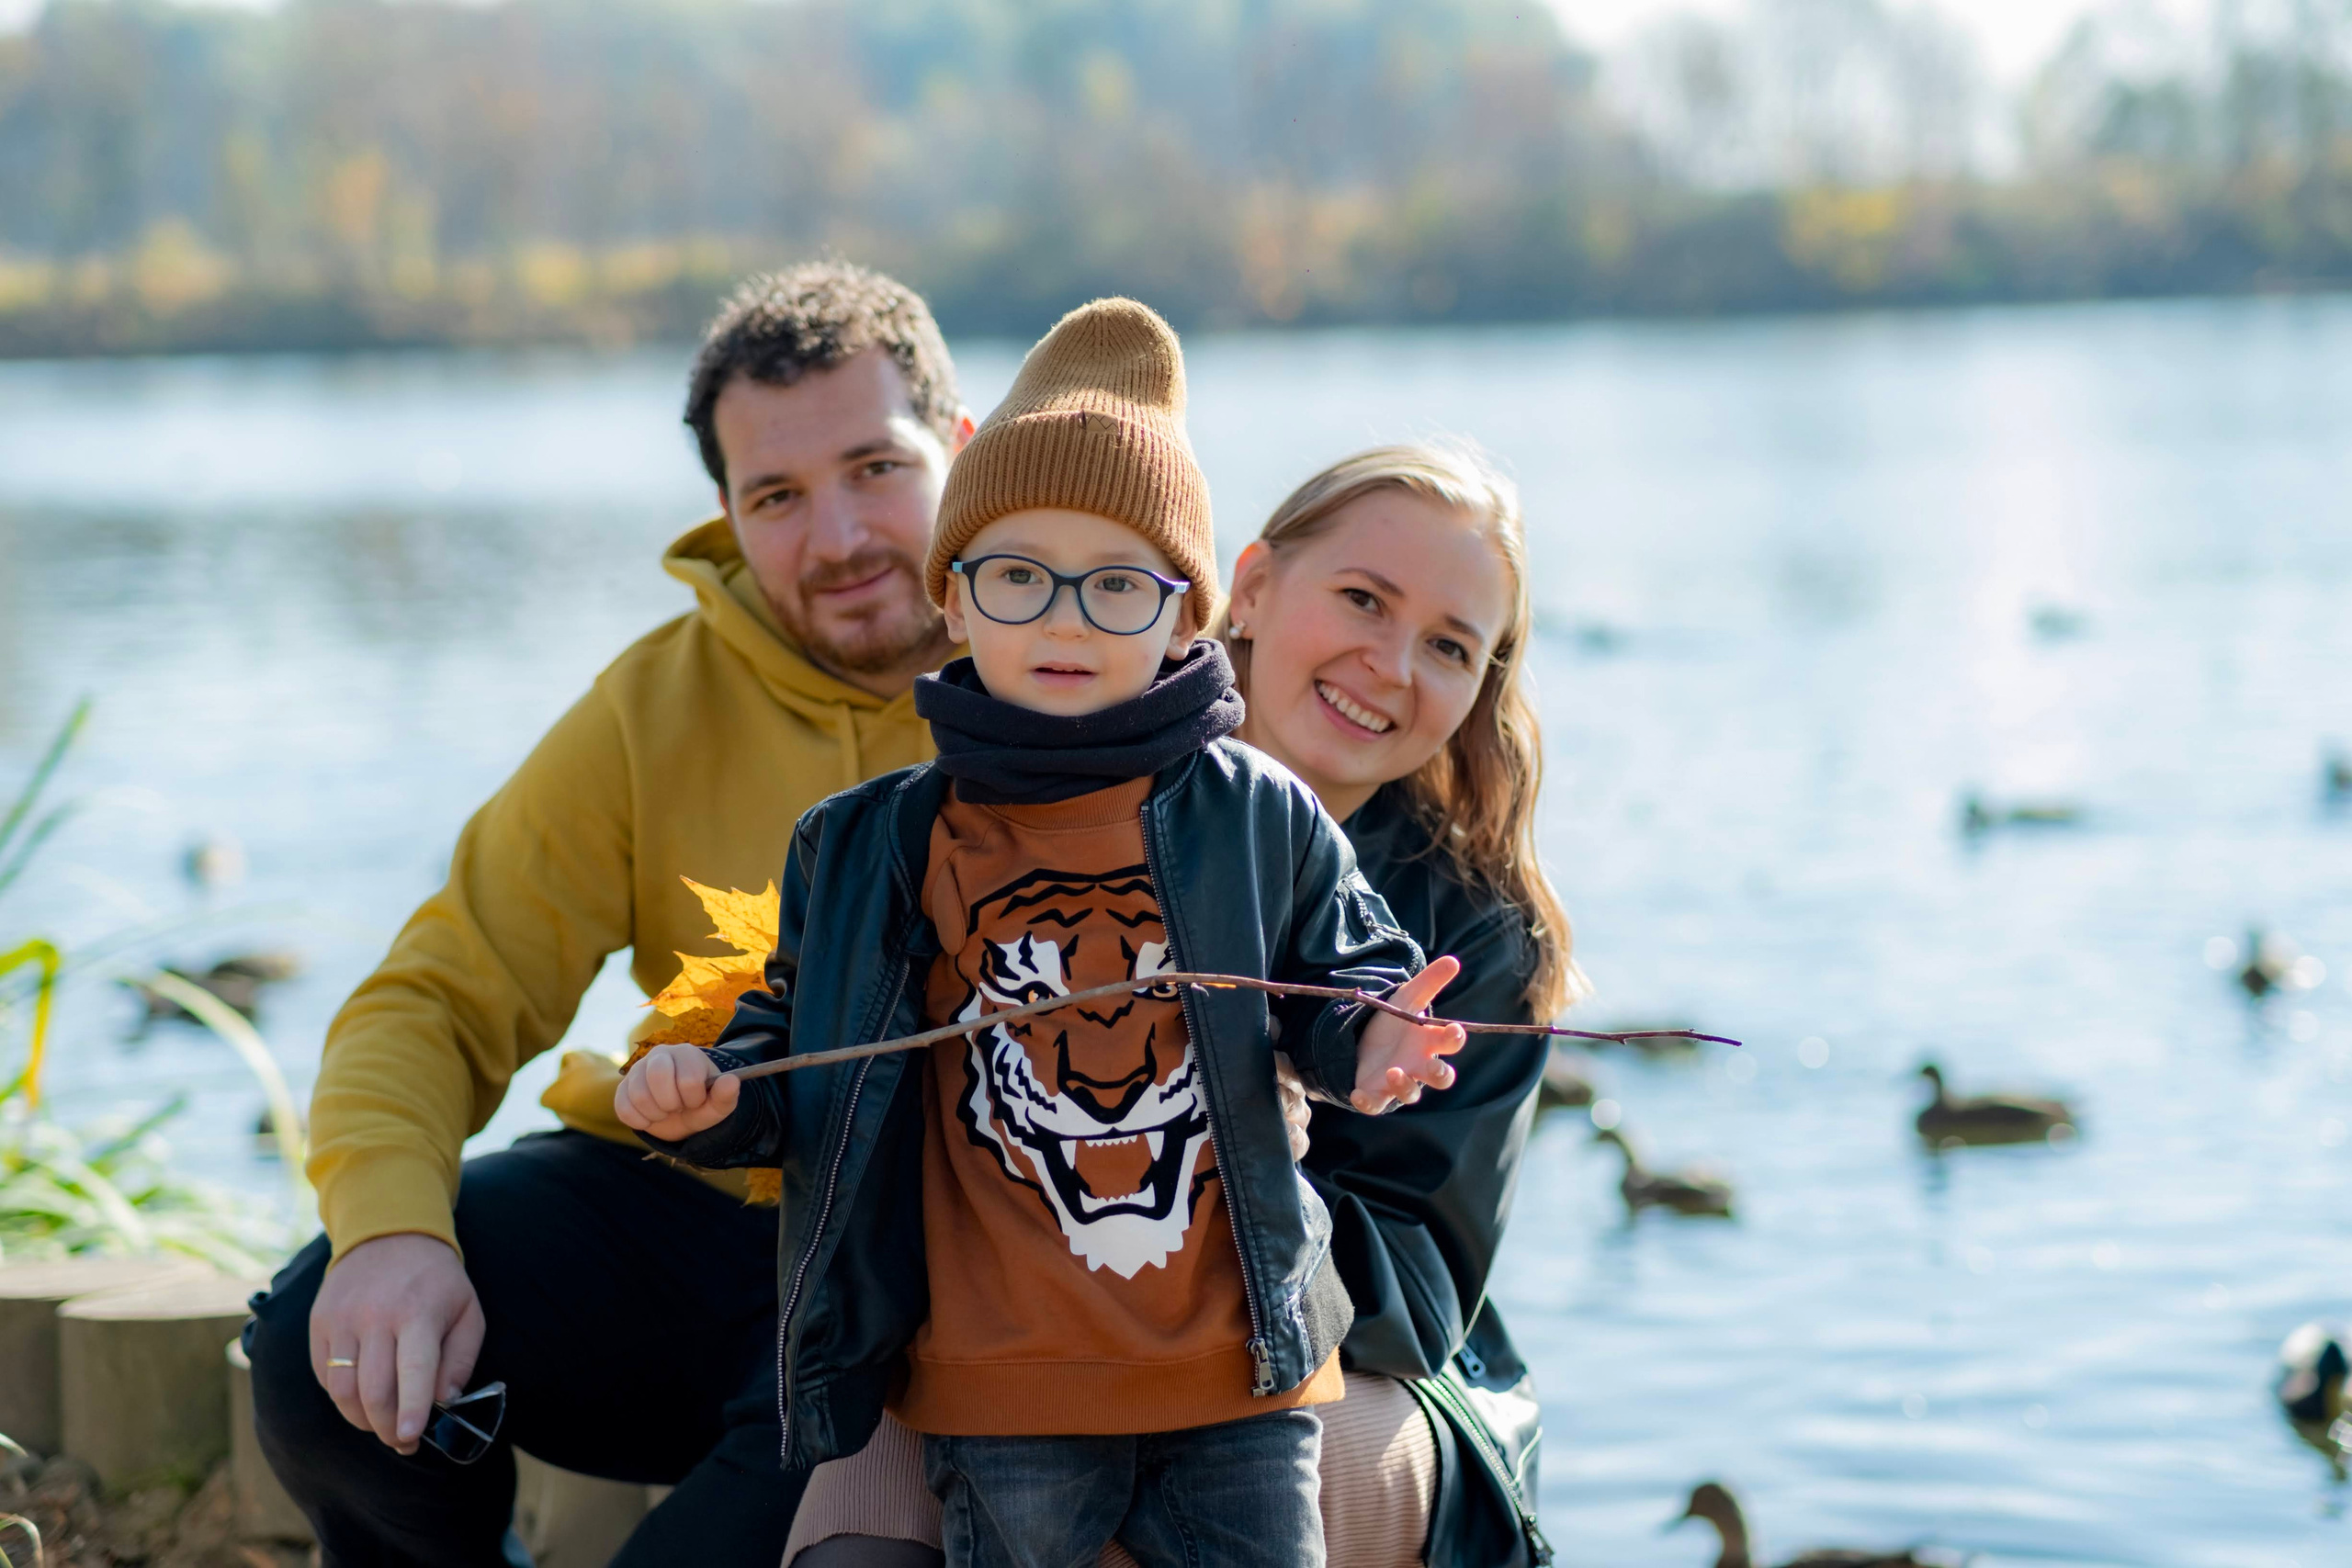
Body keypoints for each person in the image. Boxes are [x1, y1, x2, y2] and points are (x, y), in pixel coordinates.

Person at [614, 297, 1467, 1568]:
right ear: (953, 599)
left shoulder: (1260, 812)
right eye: (1020, 576)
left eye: (1117, 584)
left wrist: (1371, 1044)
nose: (1065, 617)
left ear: (1186, 613)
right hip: (999, 1389)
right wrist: (710, 1096)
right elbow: (793, 1057)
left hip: (1243, 1380)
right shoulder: (869, 843)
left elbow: (1340, 978)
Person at [244, 261, 976, 1567]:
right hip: (690, 1219)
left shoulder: (1077, 667)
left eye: (877, 468)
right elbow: (434, 994)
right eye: (779, 496)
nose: (841, 537)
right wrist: (393, 1235)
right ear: (728, 512)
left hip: (927, 1286)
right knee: (323, 1340)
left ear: (962, 449)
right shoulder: (650, 710)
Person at [780, 442, 1578, 1568]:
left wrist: (1244, 1168)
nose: (1391, 664)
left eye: (1449, 646)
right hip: (1009, 1319)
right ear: (1247, 589)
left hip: (1347, 1366)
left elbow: (1422, 1292)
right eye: (1361, 598)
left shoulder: (1480, 939)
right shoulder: (1016, 796)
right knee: (855, 1528)